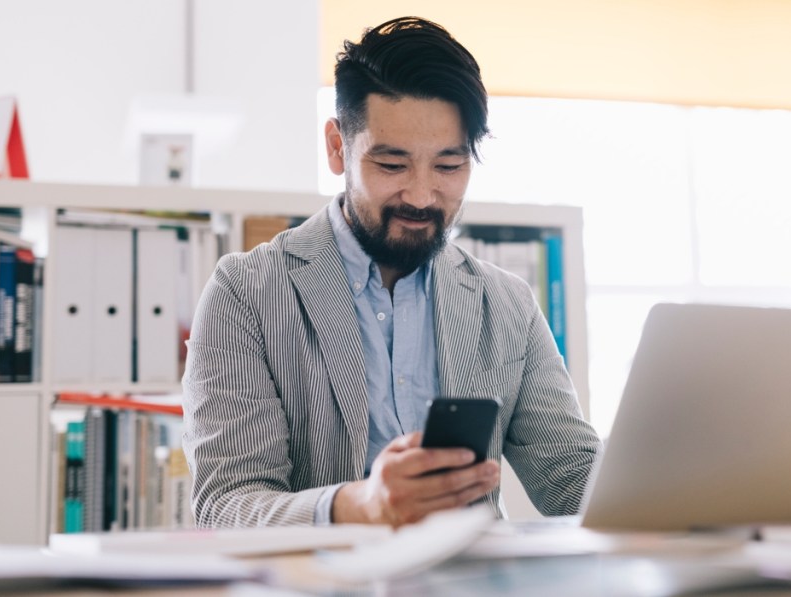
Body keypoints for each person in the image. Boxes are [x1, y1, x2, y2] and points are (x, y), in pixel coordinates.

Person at [182, 16, 601, 528]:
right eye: (392, 165)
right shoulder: (245, 293)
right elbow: (224, 505)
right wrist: (360, 506)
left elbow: (572, 480)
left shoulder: (506, 303)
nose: (422, 196)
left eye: (448, 166)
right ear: (338, 148)